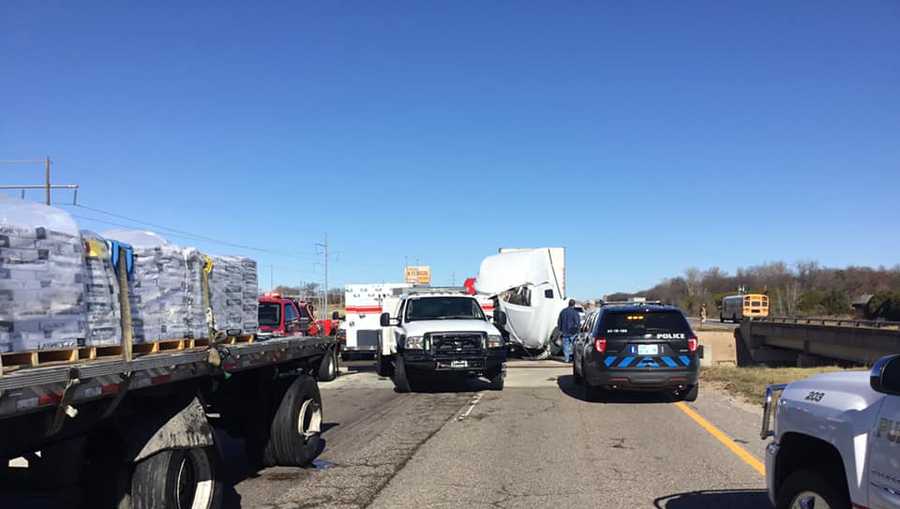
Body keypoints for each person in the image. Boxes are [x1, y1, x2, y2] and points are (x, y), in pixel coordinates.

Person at [557, 299, 581, 363]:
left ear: (568, 303)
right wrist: (578, 331)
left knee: (566, 346)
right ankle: (572, 358)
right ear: (574, 305)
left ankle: (566, 359)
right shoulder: (575, 313)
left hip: (564, 332)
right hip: (573, 332)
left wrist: (560, 330)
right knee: (573, 346)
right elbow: (577, 323)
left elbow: (559, 322)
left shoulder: (563, 312)